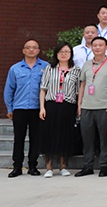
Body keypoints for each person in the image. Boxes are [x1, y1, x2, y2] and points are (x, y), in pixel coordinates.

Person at [6, 39, 50, 178]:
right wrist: (10, 108)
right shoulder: (15, 68)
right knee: (19, 139)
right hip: (19, 108)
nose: (31, 50)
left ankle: (32, 166)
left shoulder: (46, 67)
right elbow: (9, 89)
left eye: (34, 47)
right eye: (28, 47)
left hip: (38, 109)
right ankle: (17, 167)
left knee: (35, 139)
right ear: (23, 50)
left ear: (38, 50)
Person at [75, 37, 107, 178]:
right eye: (95, 45)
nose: (98, 47)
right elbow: (82, 85)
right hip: (87, 106)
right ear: (91, 47)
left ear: (106, 47)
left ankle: (104, 165)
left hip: (104, 106)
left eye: (100, 45)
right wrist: (79, 104)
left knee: (104, 138)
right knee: (87, 139)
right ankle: (87, 166)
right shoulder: (87, 64)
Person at [38, 43, 80, 177]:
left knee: (65, 135)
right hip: (51, 105)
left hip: (68, 106)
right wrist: (42, 107)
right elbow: (43, 89)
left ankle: (63, 166)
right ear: (56, 54)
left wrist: (78, 107)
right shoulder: (49, 68)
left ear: (71, 54)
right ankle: (49, 168)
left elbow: (78, 91)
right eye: (61, 52)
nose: (63, 54)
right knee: (49, 135)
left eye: (67, 51)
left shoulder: (76, 70)